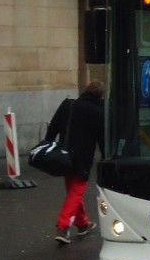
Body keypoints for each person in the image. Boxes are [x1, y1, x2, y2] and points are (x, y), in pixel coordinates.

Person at [45, 79, 105, 245]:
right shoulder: (99, 111)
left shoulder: (68, 105)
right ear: (100, 96)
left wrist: (47, 145)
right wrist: (106, 158)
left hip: (64, 156)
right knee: (76, 191)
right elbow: (102, 139)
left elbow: (53, 127)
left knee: (73, 191)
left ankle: (82, 223)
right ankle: (63, 227)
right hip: (83, 158)